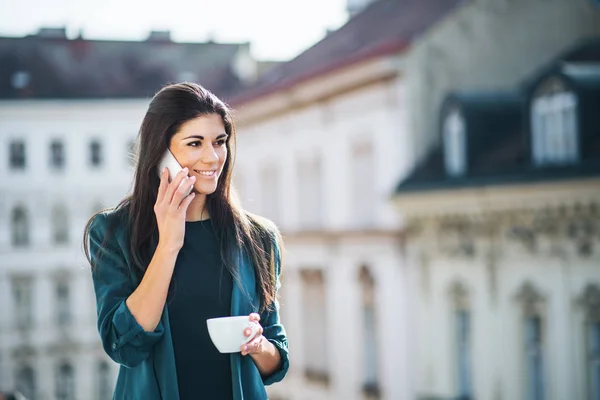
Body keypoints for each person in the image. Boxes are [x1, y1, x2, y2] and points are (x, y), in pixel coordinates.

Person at [83, 82, 289, 400]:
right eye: (195, 143)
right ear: (160, 153)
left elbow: (276, 362)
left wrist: (257, 343)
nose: (212, 157)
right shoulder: (112, 233)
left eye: (219, 142)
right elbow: (123, 345)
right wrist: (168, 245)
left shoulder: (259, 239)